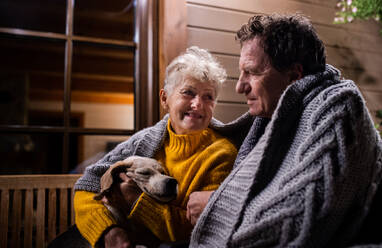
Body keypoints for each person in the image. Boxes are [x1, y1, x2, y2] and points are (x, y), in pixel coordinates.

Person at [186, 13, 382, 247]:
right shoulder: (277, 114)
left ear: (294, 76)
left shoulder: (339, 106)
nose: (240, 86)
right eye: (241, 73)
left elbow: (299, 221)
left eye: (253, 72)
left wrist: (216, 206)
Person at [73, 46, 238, 247]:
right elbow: (87, 186)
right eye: (188, 92)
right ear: (164, 98)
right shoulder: (144, 141)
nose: (198, 104)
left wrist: (135, 200)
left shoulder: (222, 154)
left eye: (208, 96)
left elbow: (200, 229)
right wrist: (109, 231)